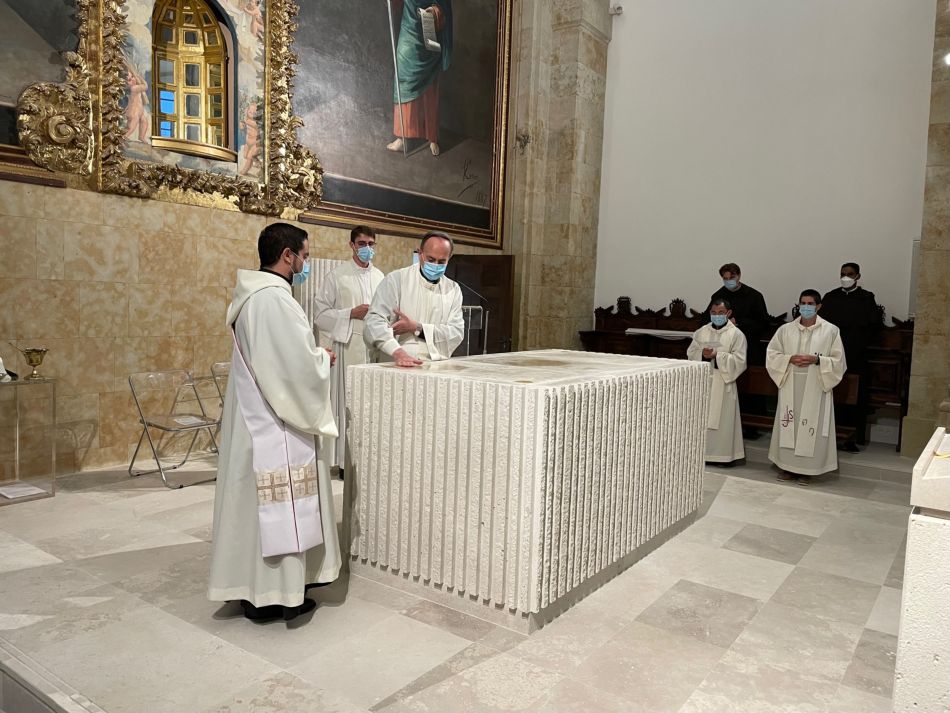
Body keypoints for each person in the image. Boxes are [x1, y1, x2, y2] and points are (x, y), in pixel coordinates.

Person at [208, 223, 341, 621]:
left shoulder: (252, 297)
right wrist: (322, 359)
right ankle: (277, 593)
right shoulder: (275, 301)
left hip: (254, 420)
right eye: (304, 254)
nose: (305, 262)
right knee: (279, 505)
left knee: (253, 506)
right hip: (275, 426)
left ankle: (251, 586)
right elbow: (292, 367)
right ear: (288, 255)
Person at [313, 226, 385, 478]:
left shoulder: (380, 277)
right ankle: (345, 463)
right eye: (362, 243)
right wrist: (350, 314)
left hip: (373, 348)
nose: (367, 249)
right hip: (348, 347)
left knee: (371, 406)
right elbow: (320, 315)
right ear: (352, 245)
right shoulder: (337, 276)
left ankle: (368, 460)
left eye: (371, 244)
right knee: (348, 404)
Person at [766, 289, 846, 486]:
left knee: (812, 426)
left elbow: (839, 361)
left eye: (811, 303)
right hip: (790, 383)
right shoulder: (785, 330)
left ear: (818, 306)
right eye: (803, 303)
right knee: (789, 423)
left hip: (816, 384)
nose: (806, 307)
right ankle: (787, 467)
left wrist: (817, 359)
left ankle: (808, 470)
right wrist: (789, 358)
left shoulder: (831, 330)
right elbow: (772, 354)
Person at [364, 230, 464, 367]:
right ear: (420, 253)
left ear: (449, 258)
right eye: (431, 259)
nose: (435, 265)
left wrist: (417, 328)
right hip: (397, 361)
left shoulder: (453, 290)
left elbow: (456, 333)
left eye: (441, 262)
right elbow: (374, 321)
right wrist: (397, 352)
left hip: (436, 365)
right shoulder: (397, 280)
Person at [820, 262, 880, 451]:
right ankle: (827, 434)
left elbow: (873, 326)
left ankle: (851, 438)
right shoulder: (831, 297)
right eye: (843, 274)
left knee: (854, 395)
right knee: (831, 392)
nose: (846, 277)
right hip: (831, 354)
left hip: (855, 354)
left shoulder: (866, 298)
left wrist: (858, 342)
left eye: (850, 274)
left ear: (857, 276)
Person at [386, 0, 453, 156]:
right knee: (403, 82)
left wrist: (434, 11)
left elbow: (444, 6)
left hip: (429, 31)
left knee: (430, 84)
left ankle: (432, 138)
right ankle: (402, 137)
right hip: (408, 32)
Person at [687, 298, 747, 465]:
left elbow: (740, 360)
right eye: (713, 313)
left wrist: (717, 356)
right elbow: (691, 352)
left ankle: (723, 456)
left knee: (723, 420)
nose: (717, 316)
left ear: (728, 313)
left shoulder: (736, 334)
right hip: (704, 381)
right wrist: (701, 355)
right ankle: (701, 454)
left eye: (721, 313)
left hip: (724, 381)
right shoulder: (701, 332)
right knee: (702, 418)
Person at [704, 263, 770, 365]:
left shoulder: (754, 296)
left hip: (748, 345)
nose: (729, 281)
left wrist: (739, 321)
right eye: (725, 278)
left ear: (739, 275)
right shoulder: (718, 296)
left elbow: (764, 323)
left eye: (732, 277)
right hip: (723, 347)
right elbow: (705, 321)